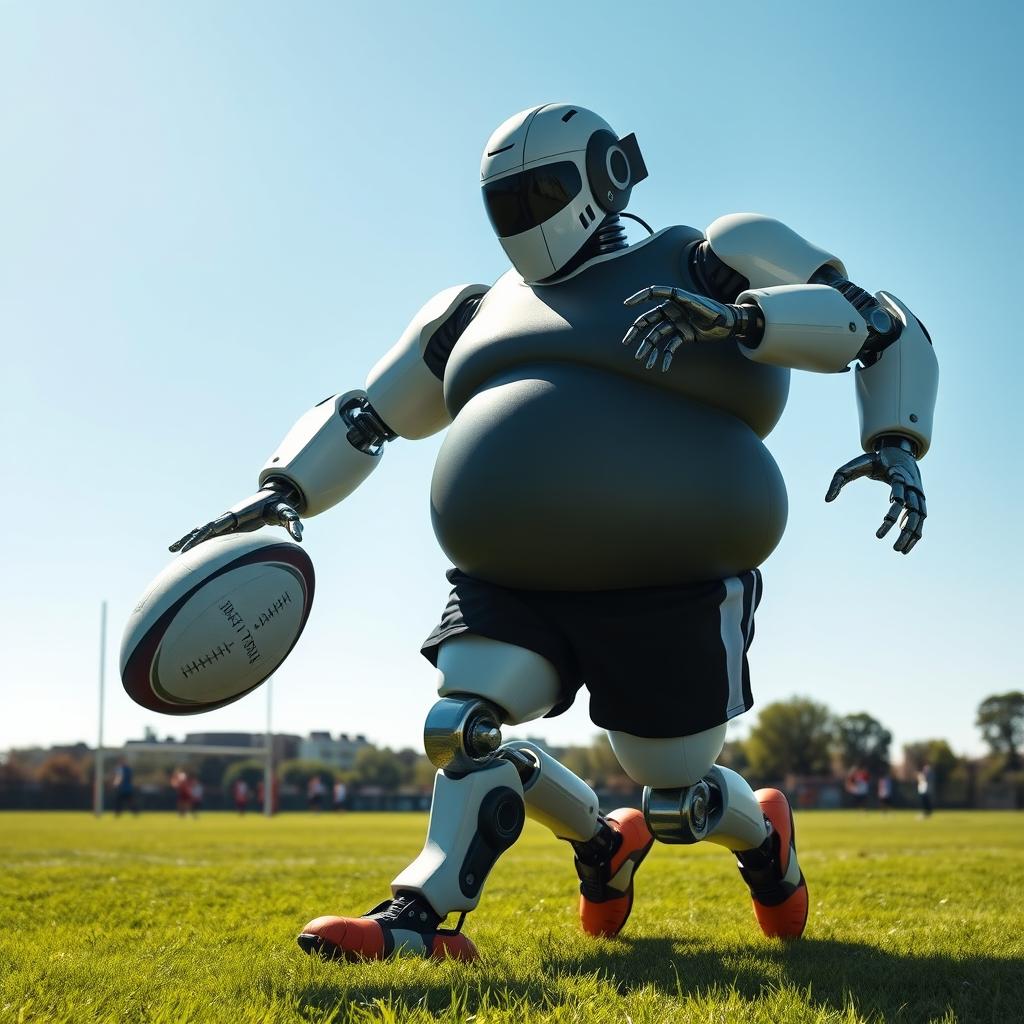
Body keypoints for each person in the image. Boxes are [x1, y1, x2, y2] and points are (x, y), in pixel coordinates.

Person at [171, 103, 938, 962]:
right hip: (508, 568)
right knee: (461, 722)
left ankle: (759, 838)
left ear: (606, 177)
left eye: (540, 189)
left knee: (675, 798)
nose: (524, 215)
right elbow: (368, 414)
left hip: (672, 569)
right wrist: (284, 492)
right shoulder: (468, 311)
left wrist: (881, 430)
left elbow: (874, 322)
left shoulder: (711, 256)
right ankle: (424, 917)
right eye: (507, 199)